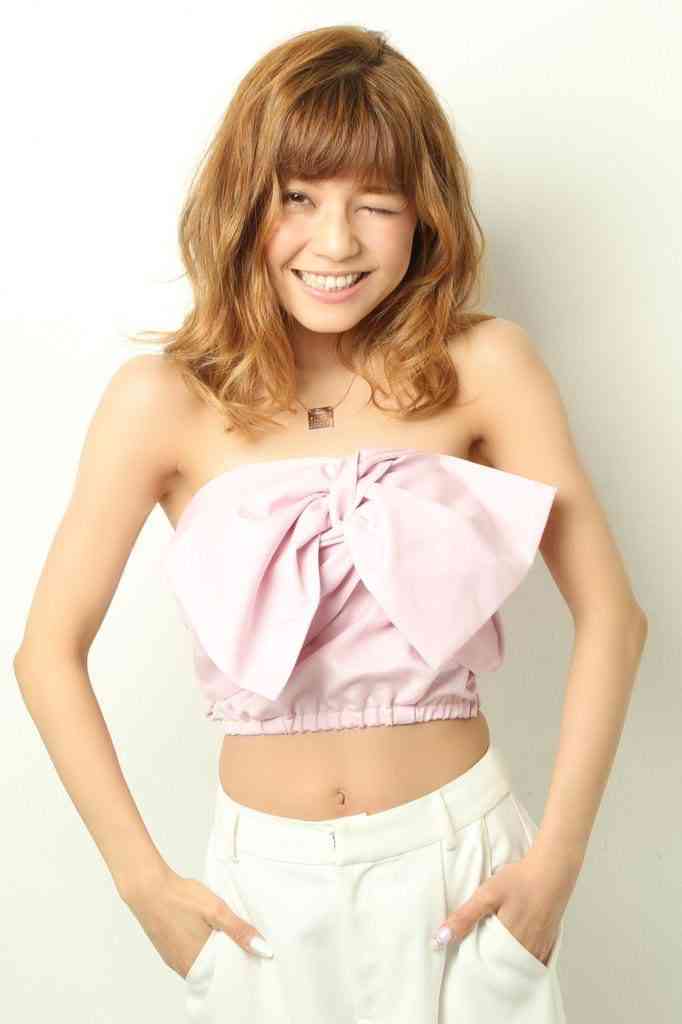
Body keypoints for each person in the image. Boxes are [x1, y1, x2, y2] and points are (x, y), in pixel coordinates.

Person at [13, 24, 647, 1024]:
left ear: (424, 215)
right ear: (243, 202)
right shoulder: (161, 400)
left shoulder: (485, 367)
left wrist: (554, 867)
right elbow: (47, 651)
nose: (337, 241)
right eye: (298, 197)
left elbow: (613, 617)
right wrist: (144, 886)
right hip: (259, 903)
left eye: (376, 203)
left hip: (464, 880)